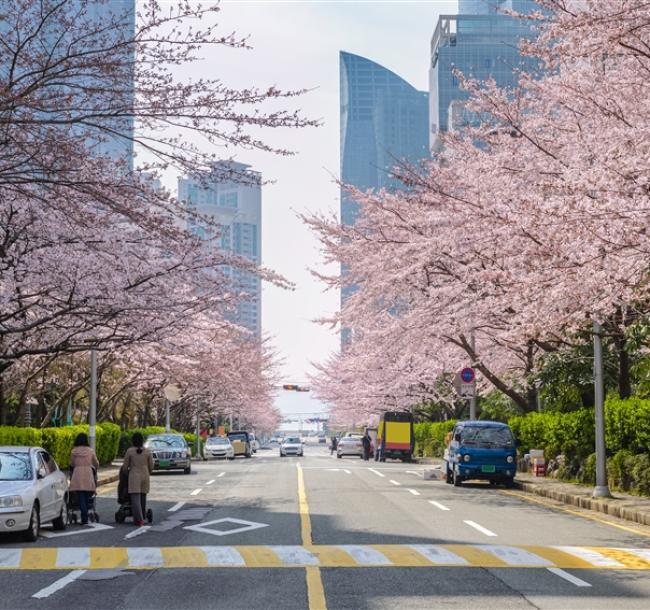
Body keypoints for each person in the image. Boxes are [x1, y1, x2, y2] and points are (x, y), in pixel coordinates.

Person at [122, 432, 154, 526]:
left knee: (135, 499)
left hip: (134, 475)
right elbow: (151, 466)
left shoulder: (130, 451)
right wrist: (148, 472)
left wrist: (128, 473)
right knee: (143, 497)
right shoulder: (147, 451)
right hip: (145, 475)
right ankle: (142, 515)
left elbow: (125, 467)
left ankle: (139, 519)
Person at [69, 432, 99, 525]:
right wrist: (95, 468)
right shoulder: (90, 451)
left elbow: (72, 464)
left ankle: (84, 514)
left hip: (77, 474)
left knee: (80, 494)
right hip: (88, 474)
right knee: (87, 494)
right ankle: (85, 513)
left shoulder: (74, 451)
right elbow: (96, 463)